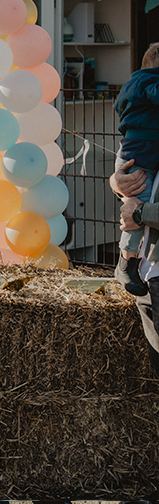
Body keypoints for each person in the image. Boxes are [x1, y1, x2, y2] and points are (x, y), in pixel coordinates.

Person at [113, 42, 159, 295]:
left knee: (135, 209)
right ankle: (127, 262)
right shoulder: (148, 82)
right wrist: (116, 183)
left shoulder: (135, 84)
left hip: (134, 154)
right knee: (134, 208)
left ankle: (128, 262)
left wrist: (141, 211)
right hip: (138, 159)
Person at [111, 161, 159, 377]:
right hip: (146, 274)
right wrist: (117, 184)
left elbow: (138, 209)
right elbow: (143, 187)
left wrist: (141, 212)